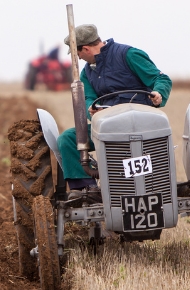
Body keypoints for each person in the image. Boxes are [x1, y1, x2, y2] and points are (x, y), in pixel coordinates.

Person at [57, 24, 172, 200]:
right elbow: (88, 98)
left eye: (77, 53)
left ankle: (156, 182)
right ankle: (85, 191)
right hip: (108, 127)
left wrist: (158, 93)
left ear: (86, 48)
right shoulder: (87, 73)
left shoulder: (128, 55)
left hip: (141, 124)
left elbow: (160, 78)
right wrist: (91, 109)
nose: (78, 58)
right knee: (68, 139)